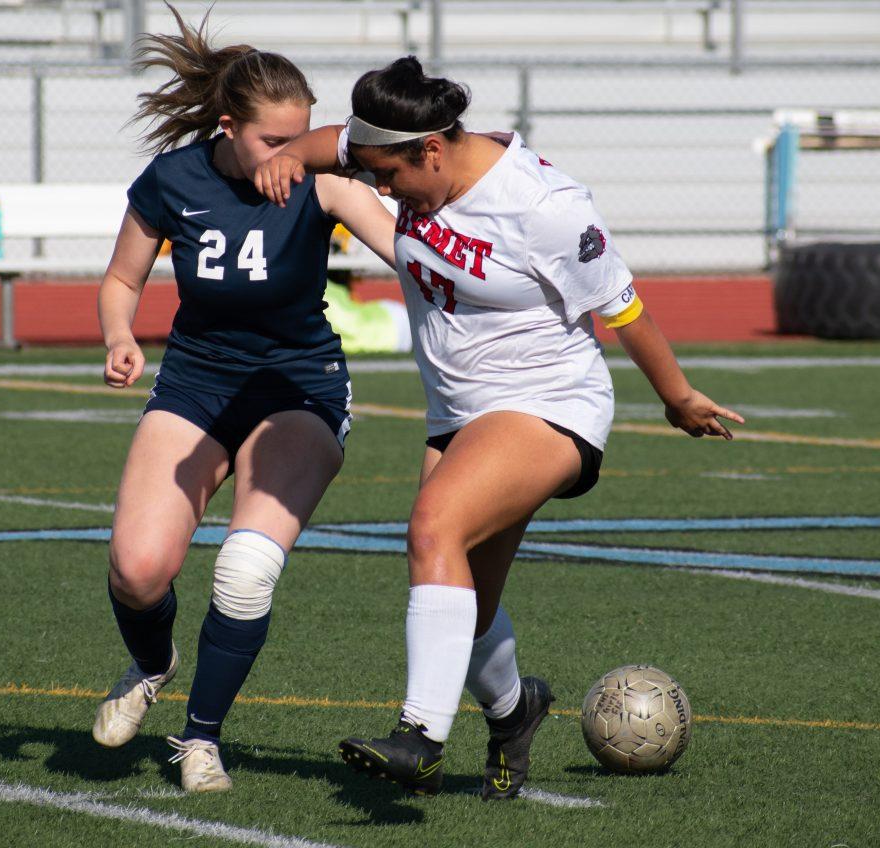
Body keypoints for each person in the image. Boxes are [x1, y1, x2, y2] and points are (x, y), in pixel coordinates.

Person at [255, 57, 745, 800]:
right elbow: (329, 146)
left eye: (389, 175)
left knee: (432, 527)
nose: (380, 191)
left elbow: (623, 307)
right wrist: (285, 156)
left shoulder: (542, 204)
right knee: (467, 600)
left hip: (549, 403)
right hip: (458, 411)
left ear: (432, 149)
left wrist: (676, 398)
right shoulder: (397, 148)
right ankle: (516, 712)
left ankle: (420, 737)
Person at [91, 8, 396, 794]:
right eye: (273, 141)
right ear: (228, 128)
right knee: (137, 571)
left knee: (244, 572)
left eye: (301, 138)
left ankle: (200, 738)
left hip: (298, 392)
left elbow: (403, 248)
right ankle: (152, 664)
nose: (290, 155)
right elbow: (123, 278)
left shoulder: (325, 180)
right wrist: (119, 334)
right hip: (197, 386)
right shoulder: (173, 179)